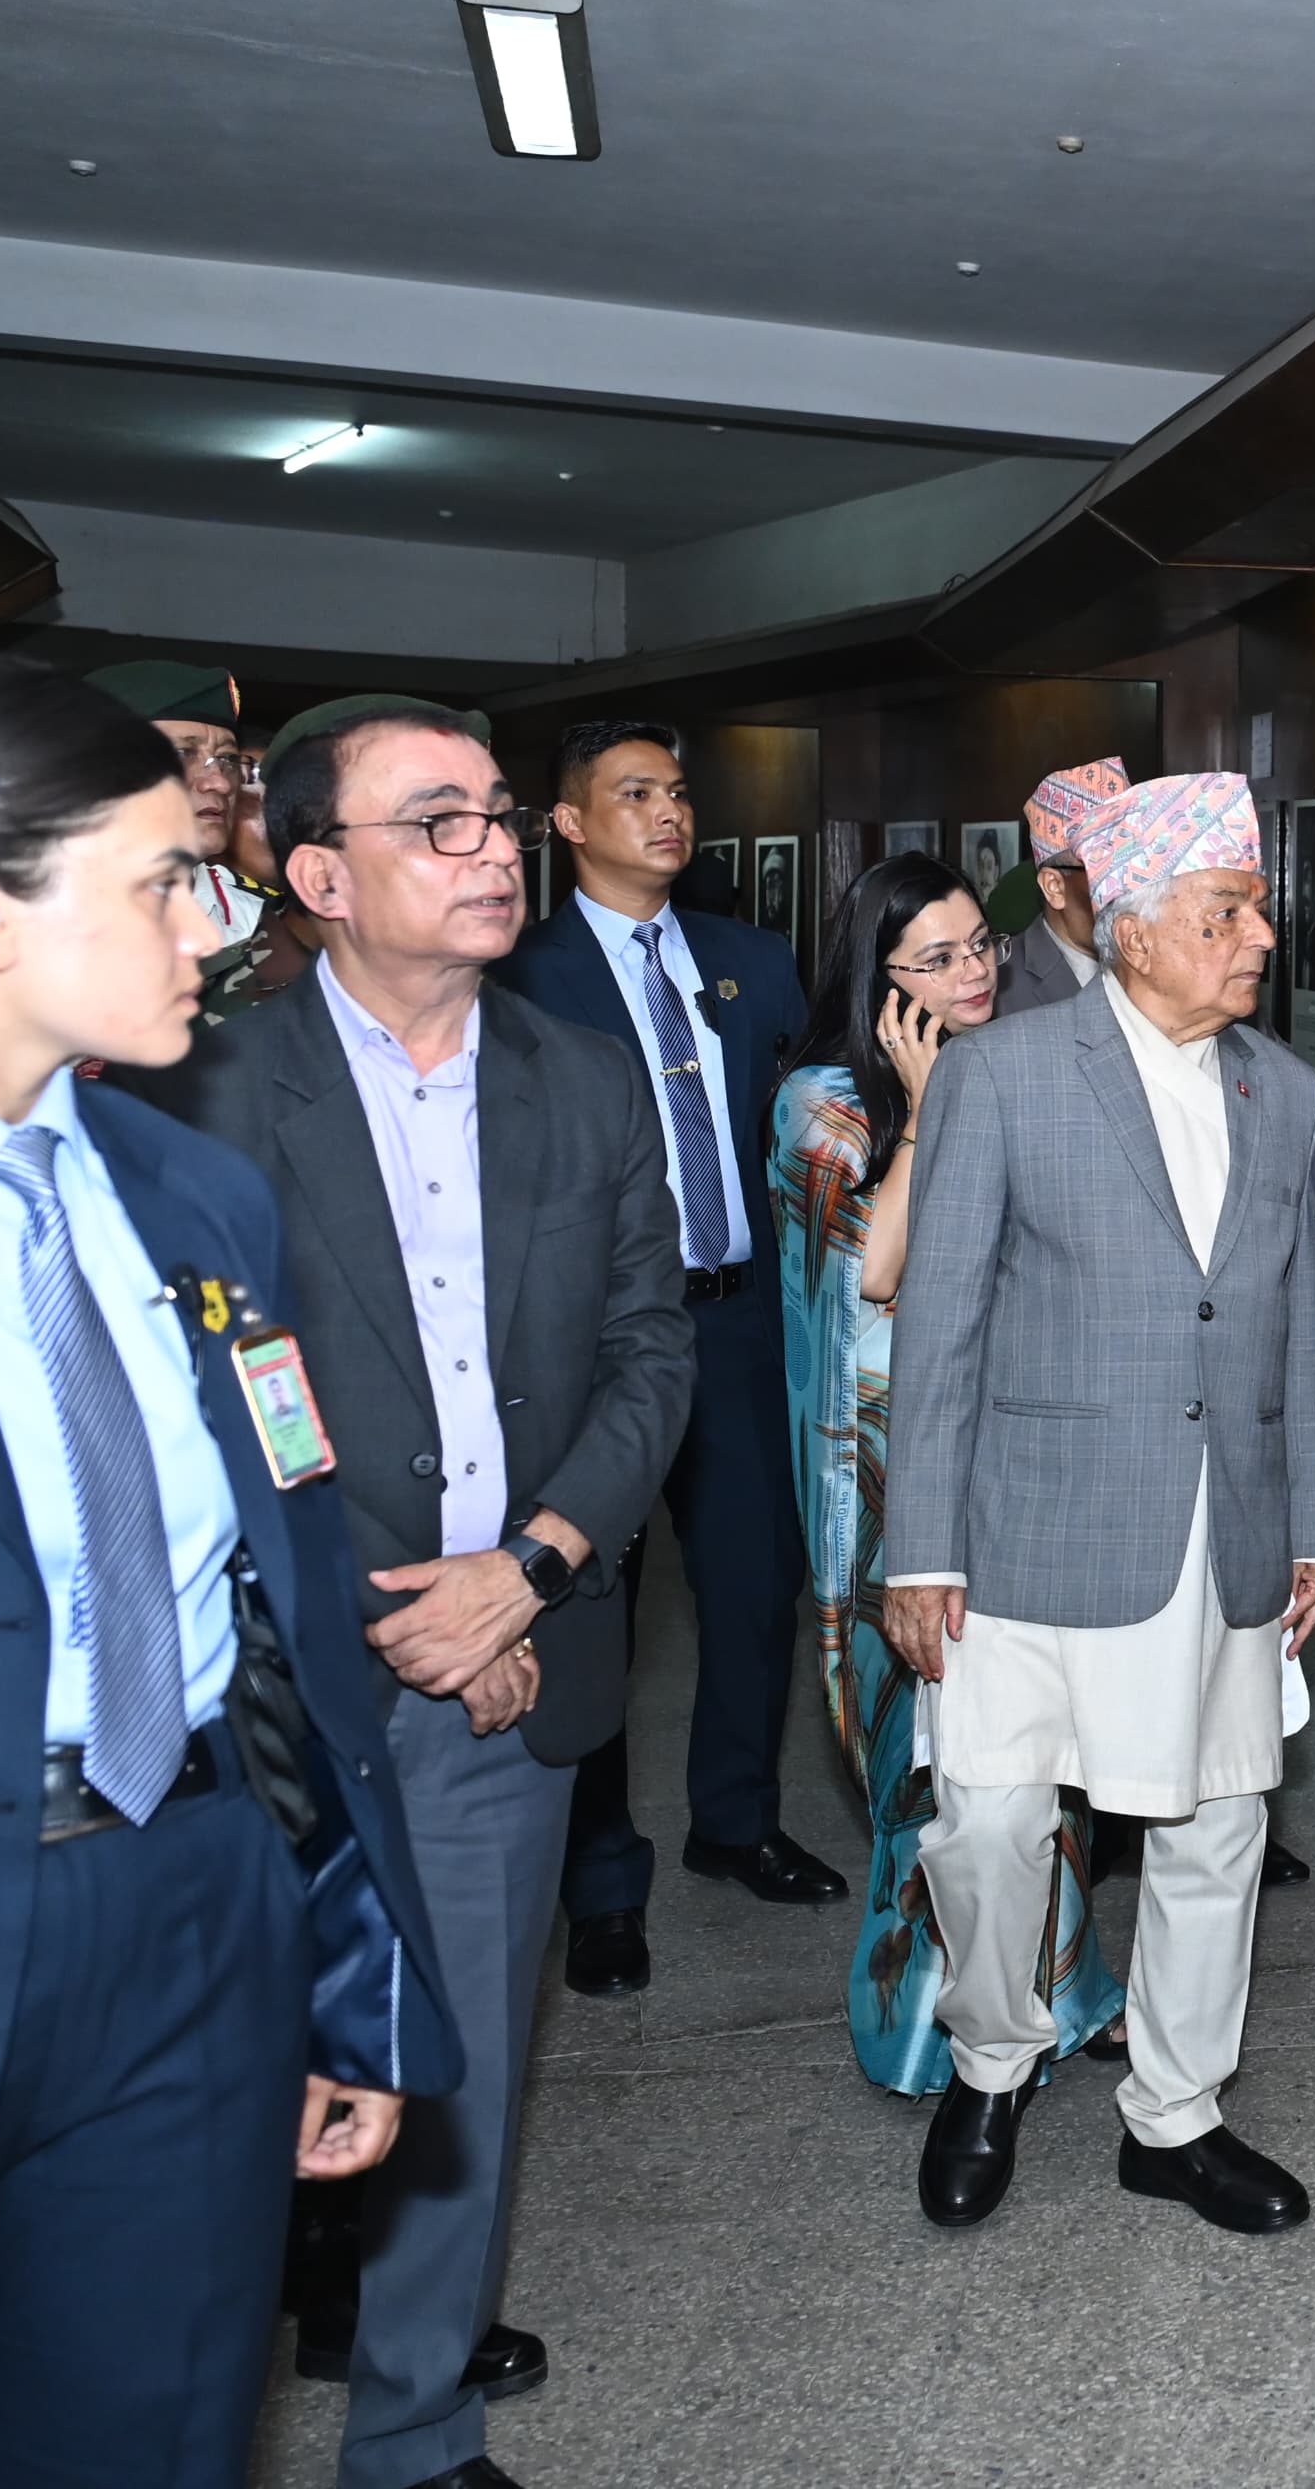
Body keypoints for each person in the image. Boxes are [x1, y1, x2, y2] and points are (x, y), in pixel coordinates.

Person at [0, 657, 456, 2485]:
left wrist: (340, 1958)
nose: (221, 920)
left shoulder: (194, 1197)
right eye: (168, 878)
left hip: (193, 1907)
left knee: (154, 2431)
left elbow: (278, 1604)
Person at [146, 693, 694, 2489]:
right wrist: (406, 1614)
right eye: (435, 821)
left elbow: (648, 1353)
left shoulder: (583, 1074)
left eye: (495, 816)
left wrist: (526, 1574)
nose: (492, 848)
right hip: (268, 1678)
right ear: (318, 873)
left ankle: (413, 2431)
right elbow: (204, 1399)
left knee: (449, 2065)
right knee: (212, 2091)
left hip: (505, 1654)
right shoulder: (201, 1087)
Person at [880, 771, 1315, 2235]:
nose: (1259, 935)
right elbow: (941, 1319)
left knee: (1217, 1826)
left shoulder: (1286, 1091)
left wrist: (1314, 1519)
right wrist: (919, 1546)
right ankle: (990, 2057)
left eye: (1254, 908)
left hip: (1224, 1520)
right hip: (1026, 1521)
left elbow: (1300, 1321)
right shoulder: (1007, 1073)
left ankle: (1176, 2112)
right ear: (1134, 930)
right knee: (989, 1824)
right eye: (1226, 911)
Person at [772, 852, 1130, 2095]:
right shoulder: (822, 1100)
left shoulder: (1017, 1058)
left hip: (1015, 1444)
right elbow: (869, 1273)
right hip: (888, 1466)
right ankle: (926, 2025)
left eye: (982, 944)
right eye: (937, 958)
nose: (974, 972)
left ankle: (1062, 1992)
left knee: (1038, 1736)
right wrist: (926, 1112)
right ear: (875, 978)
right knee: (930, 1756)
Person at [496, 718, 831, 2007]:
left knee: (752, 1586)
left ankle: (736, 1820)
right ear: (569, 822)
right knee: (598, 1603)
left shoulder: (751, 963)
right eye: (635, 793)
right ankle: (601, 1886)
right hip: (598, 1338)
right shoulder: (520, 976)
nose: (668, 812)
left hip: (738, 1324)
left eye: (679, 792)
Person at [87, 659, 287, 1025]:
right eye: (184, 754)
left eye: (227, 759)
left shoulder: (270, 928)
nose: (220, 782)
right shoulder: (10, 917)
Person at [993, 755, 1129, 1020]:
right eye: (1106, 868)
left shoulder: (1158, 957)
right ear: (1054, 886)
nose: (1128, 884)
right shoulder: (996, 986)